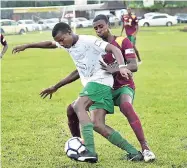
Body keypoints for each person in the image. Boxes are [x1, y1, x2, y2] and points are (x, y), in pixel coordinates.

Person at [12, 22, 143, 163]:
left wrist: (122, 66)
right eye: (59, 42)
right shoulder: (66, 44)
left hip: (101, 80)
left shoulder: (88, 41)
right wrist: (27, 45)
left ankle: (90, 151)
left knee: (78, 106)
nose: (61, 43)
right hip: (93, 84)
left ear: (69, 32)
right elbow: (50, 44)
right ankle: (134, 153)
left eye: (62, 40)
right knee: (96, 123)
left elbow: (113, 49)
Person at [39, 15, 155, 162]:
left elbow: (133, 65)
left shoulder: (119, 41)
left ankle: (145, 148)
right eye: (95, 28)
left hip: (121, 85)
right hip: (104, 87)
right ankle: (132, 152)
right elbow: (80, 70)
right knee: (92, 122)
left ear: (108, 25)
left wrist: (119, 68)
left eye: (101, 26)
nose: (99, 30)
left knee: (124, 106)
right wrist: (56, 86)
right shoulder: (92, 45)